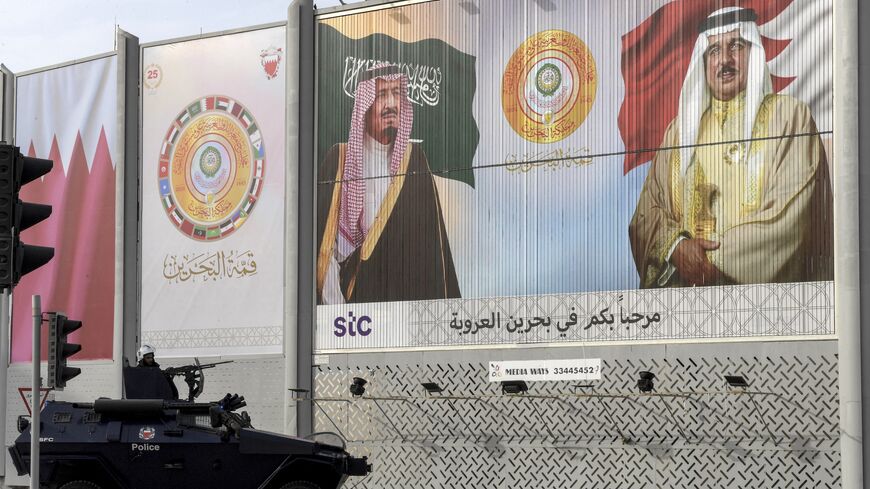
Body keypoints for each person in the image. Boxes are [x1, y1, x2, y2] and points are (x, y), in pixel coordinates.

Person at [629, 7, 833, 288]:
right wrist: (676, 248)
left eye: (736, 46)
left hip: (764, 308)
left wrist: (707, 264)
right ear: (703, 62)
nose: (724, 60)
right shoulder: (678, 132)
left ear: (755, 53)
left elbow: (790, 219)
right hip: (687, 308)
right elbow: (646, 215)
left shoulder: (789, 118)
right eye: (713, 51)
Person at [316, 63, 460, 304]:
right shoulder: (340, 159)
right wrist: (338, 311)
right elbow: (325, 247)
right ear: (364, 104)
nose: (392, 103)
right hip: (350, 305)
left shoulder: (414, 160)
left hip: (403, 307)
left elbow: (432, 250)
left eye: (397, 93)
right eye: (382, 94)